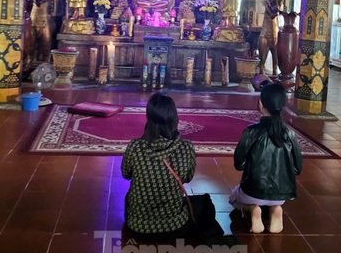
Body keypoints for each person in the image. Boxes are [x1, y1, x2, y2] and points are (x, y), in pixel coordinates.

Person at [122, 93, 223, 241]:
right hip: (175, 227)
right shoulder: (186, 147)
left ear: (149, 118)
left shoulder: (135, 147)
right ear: (174, 118)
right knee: (204, 203)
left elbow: (126, 174)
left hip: (138, 228)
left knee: (128, 197)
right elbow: (187, 178)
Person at [230, 82, 302, 234]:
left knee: (233, 197)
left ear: (261, 104)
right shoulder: (290, 135)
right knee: (272, 202)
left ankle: (252, 209)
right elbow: (297, 168)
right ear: (282, 106)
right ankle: (275, 208)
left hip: (253, 191)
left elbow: (239, 164)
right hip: (281, 195)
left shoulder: (251, 132)